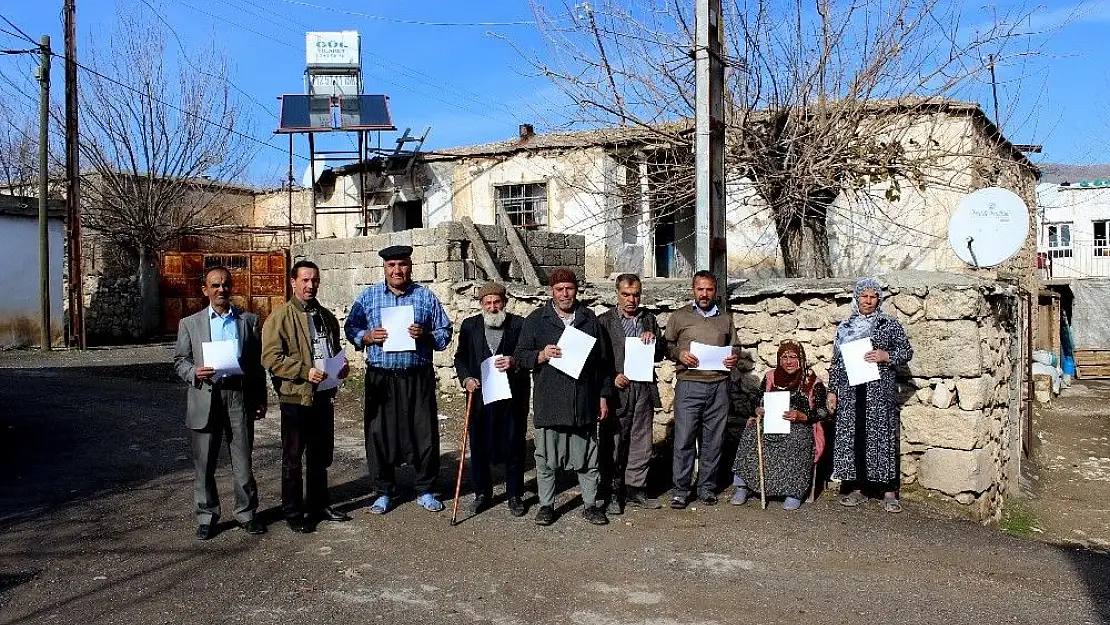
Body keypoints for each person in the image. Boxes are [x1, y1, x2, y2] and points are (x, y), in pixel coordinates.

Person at [344, 245, 453, 515]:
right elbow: (351, 328)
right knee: (379, 434)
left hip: (417, 377)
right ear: (384, 268)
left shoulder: (425, 297)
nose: (397, 270)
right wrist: (367, 337)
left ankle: (425, 489)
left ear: (410, 266)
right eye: (392, 265)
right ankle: (383, 492)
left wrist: (425, 334)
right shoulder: (368, 298)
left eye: (402, 265)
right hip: (381, 378)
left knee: (423, 434)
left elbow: (445, 332)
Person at [173, 266, 267, 540]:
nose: (221, 290)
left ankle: (247, 514)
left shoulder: (248, 321)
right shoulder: (190, 324)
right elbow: (180, 360)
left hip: (238, 396)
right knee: (204, 463)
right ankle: (207, 516)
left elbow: (256, 365)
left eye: (225, 284)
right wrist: (194, 373)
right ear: (205, 290)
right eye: (215, 285)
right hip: (206, 395)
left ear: (231, 287)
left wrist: (260, 398)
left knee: (243, 461)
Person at [515, 267, 614, 526]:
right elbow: (520, 357)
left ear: (576, 290)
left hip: (582, 401)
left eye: (569, 288)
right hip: (550, 402)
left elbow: (603, 364)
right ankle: (547, 505)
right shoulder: (537, 320)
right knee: (547, 458)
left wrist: (603, 396)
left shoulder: (589, 320)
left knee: (587, 458)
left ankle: (590, 505)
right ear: (551, 292)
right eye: (559, 289)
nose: (565, 294)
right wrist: (542, 355)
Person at [262, 260, 351, 534]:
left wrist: (340, 367)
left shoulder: (325, 316)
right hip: (295, 398)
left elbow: (332, 350)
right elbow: (270, 357)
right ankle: (292, 511)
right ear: (293, 282)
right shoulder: (280, 317)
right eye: (304, 280)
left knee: (320, 455)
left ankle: (318, 504)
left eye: (314, 280)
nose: (310, 285)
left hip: (323, 397)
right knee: (293, 458)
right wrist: (303, 371)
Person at [827, 277, 914, 513]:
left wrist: (886, 356)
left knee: (881, 438)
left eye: (873, 296)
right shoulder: (845, 327)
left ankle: (888, 491)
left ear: (879, 299)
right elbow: (837, 362)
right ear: (856, 298)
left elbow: (906, 351)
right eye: (864, 296)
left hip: (878, 390)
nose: (868, 301)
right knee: (854, 436)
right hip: (850, 390)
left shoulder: (889, 324)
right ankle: (859, 488)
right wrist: (833, 390)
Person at [453, 282, 531, 517]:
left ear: (505, 303)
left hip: (512, 397)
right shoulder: (470, 326)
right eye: (488, 303)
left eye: (497, 302)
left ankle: (515, 494)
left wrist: (514, 362)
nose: (493, 307)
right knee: (478, 445)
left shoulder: (519, 325)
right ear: (481, 305)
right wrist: (466, 378)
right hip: (480, 396)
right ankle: (482, 493)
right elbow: (460, 358)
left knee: (514, 444)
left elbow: (527, 354)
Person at [664, 270, 739, 509]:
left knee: (713, 440)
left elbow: (734, 347)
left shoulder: (725, 318)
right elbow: (667, 345)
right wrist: (679, 354)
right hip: (689, 384)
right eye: (700, 289)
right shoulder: (679, 316)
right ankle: (681, 490)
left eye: (709, 289)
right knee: (684, 439)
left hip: (718, 386)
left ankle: (706, 487)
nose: (704, 294)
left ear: (715, 291)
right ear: (693, 290)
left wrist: (733, 358)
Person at [731, 342, 829, 511]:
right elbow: (757, 399)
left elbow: (823, 412)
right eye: (784, 357)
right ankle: (743, 486)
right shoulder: (771, 377)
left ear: (801, 360)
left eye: (793, 357)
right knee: (750, 434)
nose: (788, 362)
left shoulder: (812, 381)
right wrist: (758, 408)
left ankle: (794, 491)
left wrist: (803, 416)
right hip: (771, 423)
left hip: (799, 426)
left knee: (798, 440)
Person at [597, 273, 664, 514]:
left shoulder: (648, 319)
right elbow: (596, 358)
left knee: (641, 440)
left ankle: (636, 488)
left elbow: (660, 353)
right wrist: (612, 376)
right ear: (617, 294)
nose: (631, 300)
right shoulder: (605, 321)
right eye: (626, 294)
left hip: (643, 387)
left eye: (636, 295)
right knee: (614, 441)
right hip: (618, 388)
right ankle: (612, 491)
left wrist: (653, 340)